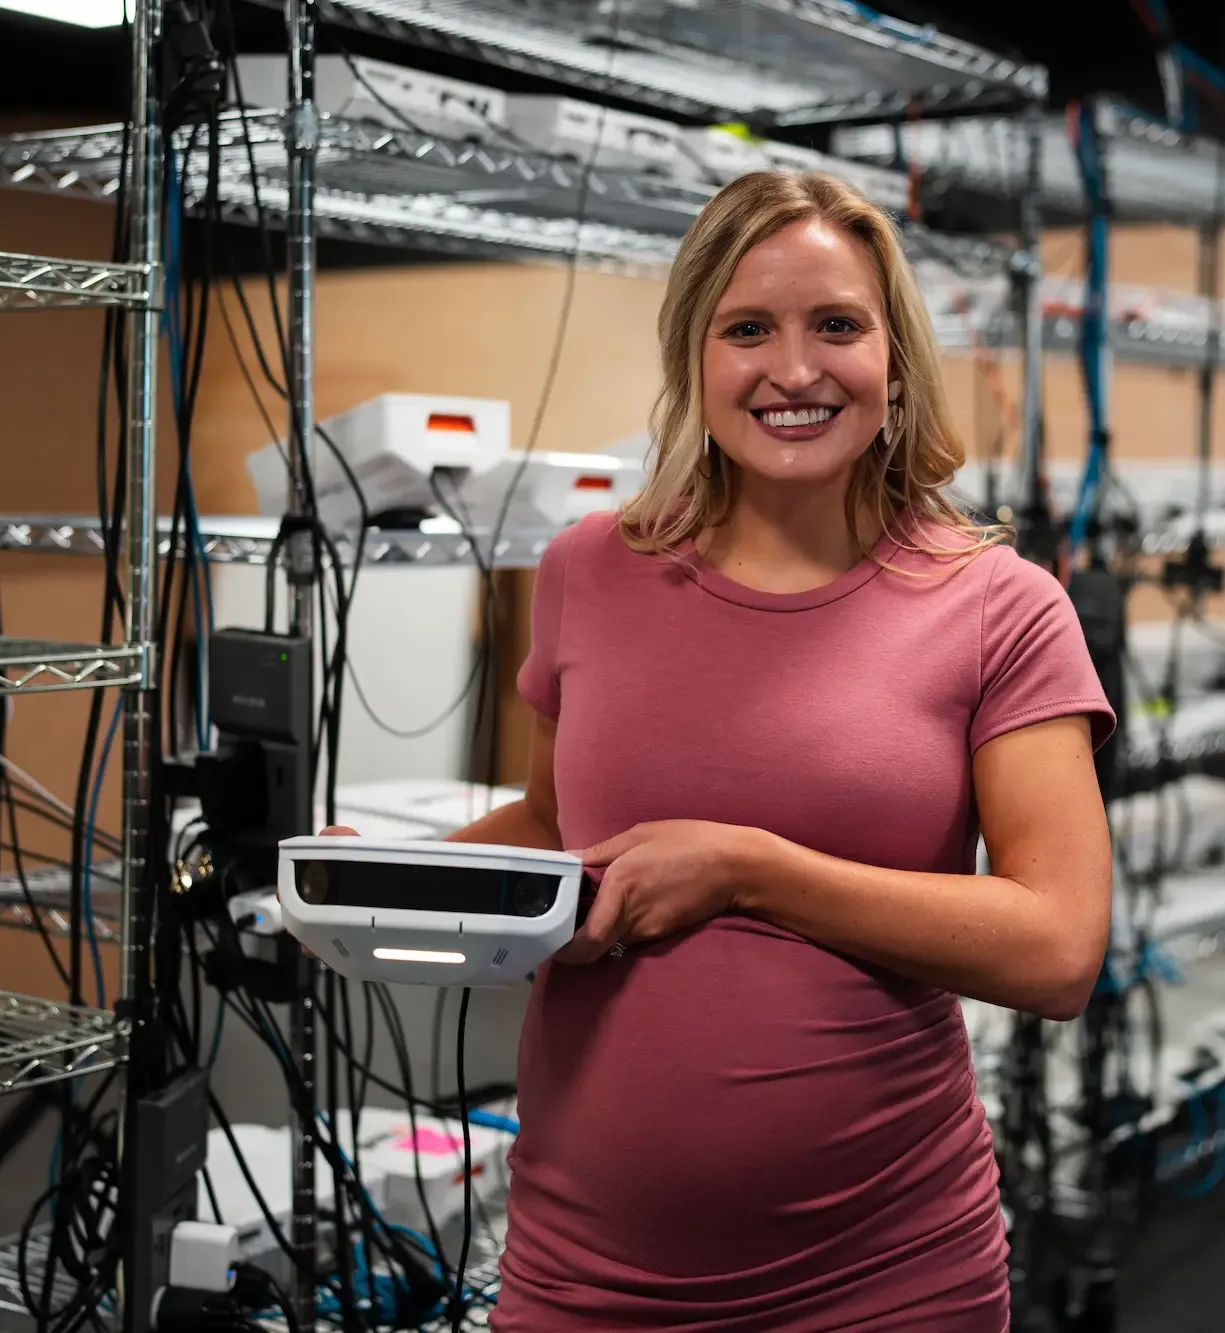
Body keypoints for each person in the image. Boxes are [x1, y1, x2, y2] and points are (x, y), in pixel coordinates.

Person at [334, 171, 1115, 1330]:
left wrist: (753, 870)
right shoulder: (588, 570)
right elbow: (554, 826)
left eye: (836, 326)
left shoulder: (998, 606)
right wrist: (392, 886)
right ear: (693, 360)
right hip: (579, 1268)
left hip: (885, 1275)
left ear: (894, 358)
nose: (793, 371)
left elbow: (1056, 950)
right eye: (745, 328)